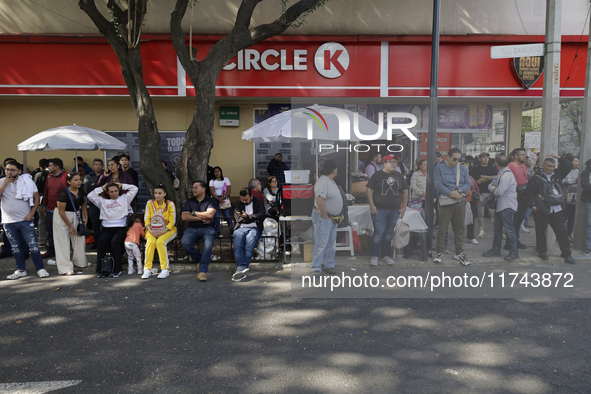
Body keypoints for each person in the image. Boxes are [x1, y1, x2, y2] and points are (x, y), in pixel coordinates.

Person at [0, 161, 49, 280]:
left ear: (19, 171)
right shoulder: (1, 182)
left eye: (12, 170)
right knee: (15, 247)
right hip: (8, 221)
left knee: (33, 246)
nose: (9, 172)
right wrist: (5, 184)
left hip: (25, 220)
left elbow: (36, 199)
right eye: (7, 169)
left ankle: (40, 269)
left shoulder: (27, 181)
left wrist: (31, 214)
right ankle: (20, 270)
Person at [524, 154, 575, 264]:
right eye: (549, 166)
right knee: (541, 232)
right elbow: (529, 193)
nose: (551, 168)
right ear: (543, 165)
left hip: (557, 210)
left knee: (562, 232)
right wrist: (533, 206)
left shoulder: (557, 174)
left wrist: (558, 157)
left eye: (553, 166)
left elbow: (569, 165)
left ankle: (566, 253)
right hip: (542, 210)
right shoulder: (536, 178)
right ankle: (542, 252)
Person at [87, 182, 139, 277]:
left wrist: (121, 185)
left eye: (116, 191)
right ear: (107, 192)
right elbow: (90, 195)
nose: (114, 193)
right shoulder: (102, 201)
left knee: (115, 242)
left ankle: (117, 269)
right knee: (101, 241)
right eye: (111, 192)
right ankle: (101, 270)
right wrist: (102, 188)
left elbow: (134, 188)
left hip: (120, 228)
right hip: (106, 228)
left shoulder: (124, 198)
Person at [366, 154, 408, 266]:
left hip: (394, 210)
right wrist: (372, 205)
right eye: (391, 162)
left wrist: (403, 208)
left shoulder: (399, 176)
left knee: (389, 233)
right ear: (384, 163)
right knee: (379, 232)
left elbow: (405, 191)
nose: (393, 164)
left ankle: (385, 255)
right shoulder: (377, 175)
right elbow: (369, 189)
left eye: (395, 162)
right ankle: (375, 255)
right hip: (379, 210)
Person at [433, 148, 471, 266]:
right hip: (447, 201)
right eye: (454, 159)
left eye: (459, 159)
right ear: (448, 157)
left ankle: (459, 252)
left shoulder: (462, 168)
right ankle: (439, 251)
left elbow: (467, 183)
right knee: (443, 228)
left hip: (460, 200)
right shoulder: (439, 168)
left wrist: (459, 191)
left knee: (459, 228)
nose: (456, 162)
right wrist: (451, 193)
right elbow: (438, 184)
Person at [482, 156, 519, 261]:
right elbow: (492, 186)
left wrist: (494, 188)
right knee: (497, 229)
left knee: (509, 230)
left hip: (507, 206)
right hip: (501, 205)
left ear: (496, 164)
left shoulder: (506, 175)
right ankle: (496, 249)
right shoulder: (501, 173)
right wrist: (494, 188)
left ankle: (514, 252)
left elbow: (500, 191)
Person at [180, 181, 217, 282]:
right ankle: (199, 259)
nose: (193, 190)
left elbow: (210, 215)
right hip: (193, 228)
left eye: (196, 188)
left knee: (208, 246)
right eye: (193, 188)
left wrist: (194, 213)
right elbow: (184, 216)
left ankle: (202, 271)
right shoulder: (190, 201)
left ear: (203, 189)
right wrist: (201, 218)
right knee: (185, 242)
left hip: (208, 228)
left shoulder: (210, 201)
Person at [311, 159, 342, 275]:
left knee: (330, 243)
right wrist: (325, 216)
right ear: (334, 170)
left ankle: (329, 265)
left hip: (331, 217)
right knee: (321, 243)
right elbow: (319, 201)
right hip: (323, 216)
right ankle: (316, 267)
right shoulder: (323, 181)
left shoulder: (330, 180)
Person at [53, 172, 89, 275]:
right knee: (63, 242)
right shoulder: (63, 193)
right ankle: (65, 268)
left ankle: (81, 262)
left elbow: (83, 203)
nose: (79, 182)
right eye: (76, 180)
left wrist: (85, 216)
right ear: (68, 182)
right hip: (63, 217)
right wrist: (70, 226)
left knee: (79, 238)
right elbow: (61, 211)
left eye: (79, 179)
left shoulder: (81, 190)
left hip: (76, 215)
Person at [142, 184, 177, 279]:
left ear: (165, 194)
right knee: (150, 242)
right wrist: (151, 231)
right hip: (152, 230)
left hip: (168, 230)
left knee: (160, 242)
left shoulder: (170, 204)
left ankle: (165, 269)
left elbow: (172, 221)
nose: (157, 195)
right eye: (155, 193)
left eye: (160, 193)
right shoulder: (150, 203)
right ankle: (147, 269)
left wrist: (163, 231)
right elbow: (146, 219)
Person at [231, 187, 265, 282]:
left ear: (251, 196)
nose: (244, 202)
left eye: (246, 199)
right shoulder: (237, 203)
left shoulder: (258, 202)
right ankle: (242, 269)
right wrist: (254, 218)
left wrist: (248, 216)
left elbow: (262, 215)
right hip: (240, 228)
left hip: (254, 228)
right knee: (238, 247)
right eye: (242, 200)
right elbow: (238, 219)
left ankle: (240, 269)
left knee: (249, 248)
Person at [40, 158, 68, 258]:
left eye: (50, 166)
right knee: (50, 231)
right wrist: (44, 205)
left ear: (56, 167)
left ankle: (63, 252)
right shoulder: (49, 176)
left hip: (62, 210)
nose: (48, 167)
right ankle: (51, 250)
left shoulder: (66, 177)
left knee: (62, 232)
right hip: (50, 209)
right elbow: (46, 191)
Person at [470, 152, 497, 238]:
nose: (486, 159)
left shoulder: (492, 168)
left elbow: (496, 177)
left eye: (487, 157)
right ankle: (482, 229)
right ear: (480, 159)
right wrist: (489, 178)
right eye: (484, 157)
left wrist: (484, 177)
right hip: (480, 193)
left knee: (493, 213)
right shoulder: (475, 169)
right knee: (480, 213)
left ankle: (496, 229)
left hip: (490, 193)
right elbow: (477, 181)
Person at [507, 148, 530, 250]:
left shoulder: (524, 167)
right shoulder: (510, 166)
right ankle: (510, 242)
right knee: (514, 220)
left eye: (525, 155)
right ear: (516, 156)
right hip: (514, 197)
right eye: (522, 155)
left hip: (524, 196)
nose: (525, 156)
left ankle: (516, 240)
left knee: (519, 220)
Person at [84, 158, 104, 247]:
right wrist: (99, 185)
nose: (97, 166)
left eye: (99, 164)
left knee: (104, 223)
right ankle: (97, 242)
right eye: (96, 164)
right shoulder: (88, 176)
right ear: (93, 166)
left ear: (102, 166)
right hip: (92, 203)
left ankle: (104, 242)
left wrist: (94, 185)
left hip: (104, 202)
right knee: (95, 223)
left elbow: (107, 187)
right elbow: (87, 188)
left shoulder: (106, 175)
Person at [209, 166, 233, 234]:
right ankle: (218, 230)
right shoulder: (212, 181)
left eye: (218, 171)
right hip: (215, 199)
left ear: (221, 172)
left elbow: (229, 190)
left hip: (224, 198)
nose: (217, 173)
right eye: (215, 172)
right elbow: (212, 192)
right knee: (217, 215)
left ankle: (231, 229)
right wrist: (218, 199)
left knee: (227, 214)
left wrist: (223, 197)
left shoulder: (226, 179)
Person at [461, 158, 480, 245]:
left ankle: (470, 236)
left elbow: (475, 188)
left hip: (471, 201)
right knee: (459, 220)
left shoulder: (471, 177)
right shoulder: (457, 179)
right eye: (465, 168)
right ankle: (459, 236)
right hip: (461, 201)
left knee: (471, 220)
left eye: (467, 169)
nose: (467, 170)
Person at [562, 155, 579, 241]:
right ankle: (560, 234)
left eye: (578, 161)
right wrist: (574, 181)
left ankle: (569, 234)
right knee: (564, 216)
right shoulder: (565, 170)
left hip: (574, 198)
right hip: (565, 196)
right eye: (575, 161)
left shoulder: (578, 171)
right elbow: (562, 180)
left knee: (572, 217)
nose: (577, 163)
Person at [33, 158, 49, 246]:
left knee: (41, 221)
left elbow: (34, 188)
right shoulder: (52, 175)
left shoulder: (37, 175)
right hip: (51, 200)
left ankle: (42, 240)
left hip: (39, 200)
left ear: (39, 166)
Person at [579, 158, 591, 255]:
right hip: (589, 199)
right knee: (589, 223)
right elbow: (584, 181)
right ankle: (588, 246)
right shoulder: (588, 167)